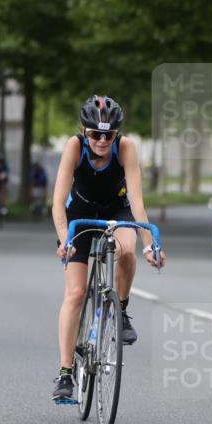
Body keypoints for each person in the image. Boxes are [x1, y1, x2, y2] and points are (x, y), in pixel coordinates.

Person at [51, 95, 166, 402]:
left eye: (109, 134)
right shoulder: (74, 147)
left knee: (127, 251)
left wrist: (149, 246)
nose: (102, 140)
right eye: (95, 134)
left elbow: (138, 203)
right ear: (83, 131)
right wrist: (65, 240)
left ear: (117, 134)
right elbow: (58, 203)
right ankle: (65, 373)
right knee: (75, 294)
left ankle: (122, 309)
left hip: (117, 208)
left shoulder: (126, 148)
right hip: (80, 215)